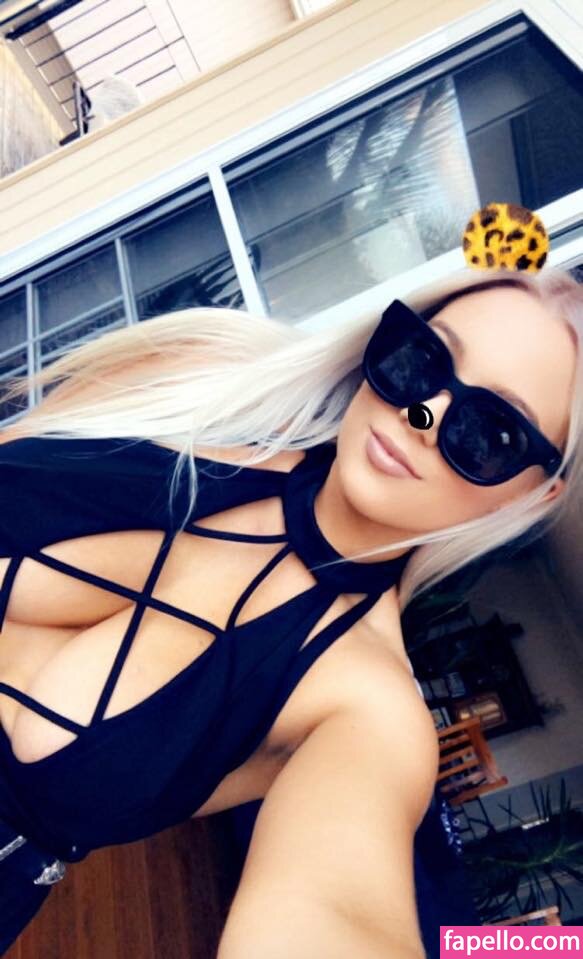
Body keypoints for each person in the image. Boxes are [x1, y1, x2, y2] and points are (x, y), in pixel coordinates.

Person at [0, 261, 581, 958]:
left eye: (490, 431)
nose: (423, 415)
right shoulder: (207, 373)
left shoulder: (365, 706)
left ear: (528, 496)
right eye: (422, 360)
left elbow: (336, 916)